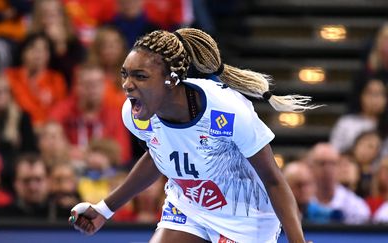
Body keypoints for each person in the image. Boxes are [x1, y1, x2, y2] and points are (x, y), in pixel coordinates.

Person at [69, 28, 312, 242]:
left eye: (140, 76)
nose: (127, 85)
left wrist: (297, 241)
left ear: (171, 79)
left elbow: (273, 179)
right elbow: (159, 155)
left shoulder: (228, 111)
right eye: (125, 74)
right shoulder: (134, 114)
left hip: (245, 218)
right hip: (189, 207)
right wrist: (104, 209)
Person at [306, 143, 370, 224]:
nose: (328, 169)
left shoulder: (355, 205)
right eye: (322, 163)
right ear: (311, 167)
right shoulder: (301, 201)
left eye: (333, 163)